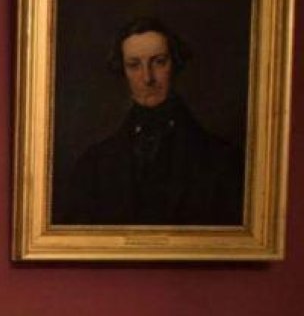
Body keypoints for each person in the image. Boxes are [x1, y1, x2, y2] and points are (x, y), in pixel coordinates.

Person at [55, 17, 245, 226]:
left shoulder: (222, 160)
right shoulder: (94, 165)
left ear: (176, 64)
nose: (147, 78)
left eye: (159, 62)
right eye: (134, 65)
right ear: (123, 70)